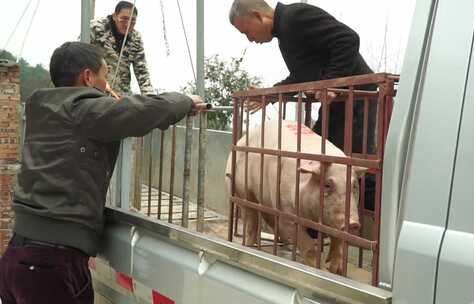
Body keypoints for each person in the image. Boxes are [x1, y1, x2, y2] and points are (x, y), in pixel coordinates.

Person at [0, 42, 204, 304]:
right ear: (87, 77)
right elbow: (141, 111)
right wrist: (184, 101)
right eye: (105, 75)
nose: (107, 83)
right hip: (50, 263)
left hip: (18, 255)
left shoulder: (41, 108)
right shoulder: (84, 110)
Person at [229, 0, 377, 210]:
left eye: (246, 32)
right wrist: (270, 94)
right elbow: (300, 77)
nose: (250, 39)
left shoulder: (295, 17)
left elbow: (348, 38)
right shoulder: (286, 34)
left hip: (358, 100)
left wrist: (331, 82)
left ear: (258, 16)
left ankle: (375, 234)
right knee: (319, 163)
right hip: (338, 103)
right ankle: (316, 230)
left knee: (357, 167)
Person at [90, 1, 153, 96]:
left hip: (121, 94)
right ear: (115, 16)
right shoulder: (96, 27)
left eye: (132, 21)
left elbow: (142, 71)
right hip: (96, 91)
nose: (128, 24)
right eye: (124, 19)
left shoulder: (136, 38)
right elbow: (80, 54)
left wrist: (150, 99)